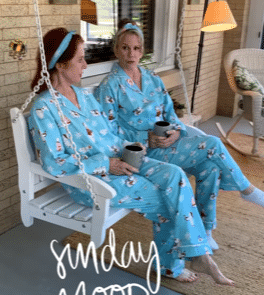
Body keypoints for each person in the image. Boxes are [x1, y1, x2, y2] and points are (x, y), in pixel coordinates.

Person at [28, 27, 234, 285]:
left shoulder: (84, 96)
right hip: (92, 181)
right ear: (60, 64)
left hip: (121, 162)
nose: (85, 64)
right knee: (167, 197)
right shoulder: (43, 108)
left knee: (175, 176)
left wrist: (136, 148)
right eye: (80, 59)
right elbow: (53, 162)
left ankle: (196, 254)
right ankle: (175, 263)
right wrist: (106, 164)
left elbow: (110, 137)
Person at [94, 19, 264, 251]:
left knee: (211, 168)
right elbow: (109, 131)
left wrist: (175, 132)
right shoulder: (109, 85)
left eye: (135, 48)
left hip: (169, 144)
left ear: (142, 51)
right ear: (116, 50)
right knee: (212, 143)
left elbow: (170, 114)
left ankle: (205, 229)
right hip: (143, 153)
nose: (130, 53)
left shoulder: (153, 79)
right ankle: (247, 190)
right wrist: (146, 139)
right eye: (125, 47)